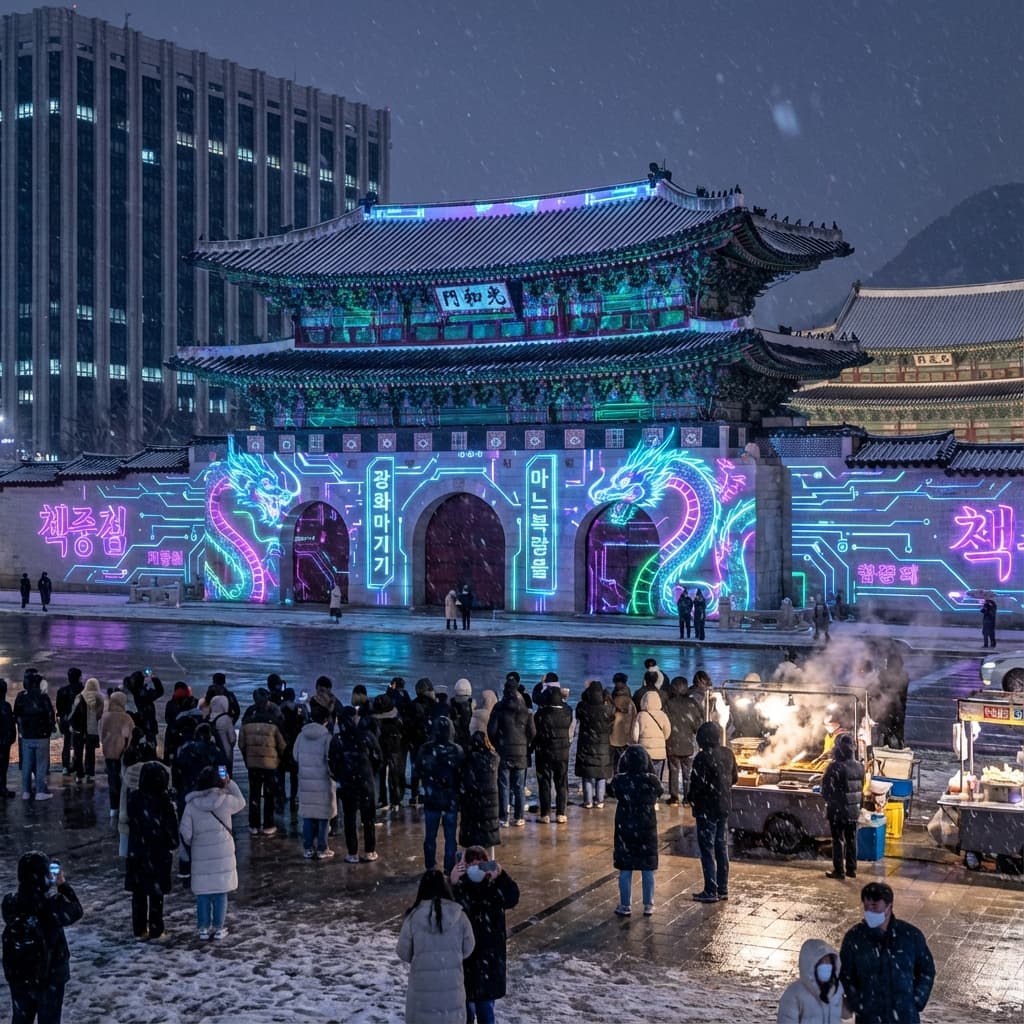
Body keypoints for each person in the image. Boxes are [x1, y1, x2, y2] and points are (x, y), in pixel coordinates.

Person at [2, 851, 83, 1024]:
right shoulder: (52, 906)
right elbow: (76, 909)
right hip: (49, 974)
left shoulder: (9, 903)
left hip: (19, 972)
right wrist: (62, 884)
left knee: (21, 1018)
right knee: (49, 1019)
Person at [839, 881, 935, 1024]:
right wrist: (857, 1002)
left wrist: (916, 1000)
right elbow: (845, 974)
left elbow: (927, 970)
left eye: (874, 906)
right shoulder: (854, 938)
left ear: (889, 907)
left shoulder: (910, 936)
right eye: (866, 906)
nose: (869, 911)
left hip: (905, 1017)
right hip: (869, 1017)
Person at [451, 848, 520, 1024]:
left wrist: (501, 875)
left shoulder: (494, 886)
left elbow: (513, 897)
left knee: (484, 1009)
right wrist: (452, 881)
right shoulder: (461, 886)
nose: (475, 867)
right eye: (470, 862)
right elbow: (447, 910)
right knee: (466, 1010)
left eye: (480, 863)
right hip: (469, 958)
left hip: (486, 959)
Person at [396, 870, 475, 1024]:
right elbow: (469, 948)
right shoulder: (460, 916)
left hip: (422, 995)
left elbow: (403, 952)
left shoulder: (413, 917)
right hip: (452, 994)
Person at [179, 765, 245, 940]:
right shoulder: (225, 800)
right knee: (220, 891)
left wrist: (195, 843)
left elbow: (185, 832)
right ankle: (218, 927)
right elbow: (241, 801)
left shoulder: (191, 805)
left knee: (203, 893)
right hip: (223, 853)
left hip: (201, 855)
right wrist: (229, 783)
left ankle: (202, 928)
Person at [125, 761, 179, 940]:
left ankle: (139, 929)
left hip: (138, 853)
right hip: (158, 854)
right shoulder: (164, 803)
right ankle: (156, 929)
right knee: (156, 895)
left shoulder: (134, 799)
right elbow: (172, 835)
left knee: (139, 894)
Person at [689, 720, 738, 902]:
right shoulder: (727, 753)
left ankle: (711, 890)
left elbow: (696, 785)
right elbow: (734, 778)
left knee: (707, 849)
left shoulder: (702, 758)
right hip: (723, 806)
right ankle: (723, 888)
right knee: (721, 848)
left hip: (706, 808)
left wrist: (692, 798)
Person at [612, 745, 663, 917]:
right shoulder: (651, 780)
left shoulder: (620, 781)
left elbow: (613, 791)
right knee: (647, 868)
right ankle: (648, 904)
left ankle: (625, 904)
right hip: (646, 828)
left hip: (625, 827)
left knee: (625, 869)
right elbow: (660, 791)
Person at [328, 706, 381, 863]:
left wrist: (340, 776)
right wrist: (370, 771)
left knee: (350, 818)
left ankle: (352, 853)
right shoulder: (367, 737)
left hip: (347, 784)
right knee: (368, 818)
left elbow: (332, 762)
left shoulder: (338, 739)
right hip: (366, 782)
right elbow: (378, 758)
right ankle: (370, 851)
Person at [417, 716, 465, 874]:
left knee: (430, 835)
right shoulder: (457, 750)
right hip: (450, 799)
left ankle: (430, 866)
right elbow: (461, 774)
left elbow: (419, 769)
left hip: (432, 798)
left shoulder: (425, 749)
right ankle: (449, 867)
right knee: (450, 837)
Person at [238, 688, 286, 837]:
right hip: (270, 764)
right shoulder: (274, 717)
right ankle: (268, 825)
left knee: (254, 794)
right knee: (269, 795)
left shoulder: (248, 716)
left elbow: (241, 743)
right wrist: (278, 757)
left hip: (253, 764)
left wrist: (248, 756)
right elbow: (282, 744)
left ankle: (253, 825)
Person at [487, 680, 534, 828]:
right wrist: (525, 744)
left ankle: (503, 817)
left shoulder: (499, 707)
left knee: (504, 785)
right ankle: (519, 817)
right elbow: (532, 732)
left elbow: (492, 730)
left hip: (504, 751)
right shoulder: (524, 709)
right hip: (521, 752)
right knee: (519, 786)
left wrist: (497, 744)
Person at [293, 702, 337, 859]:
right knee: (323, 817)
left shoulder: (301, 735)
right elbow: (330, 759)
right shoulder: (327, 738)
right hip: (323, 782)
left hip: (305, 782)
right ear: (326, 720)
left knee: (308, 816)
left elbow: (295, 756)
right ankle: (322, 848)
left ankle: (308, 848)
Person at [822, 733, 865, 881]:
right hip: (854, 810)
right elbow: (861, 787)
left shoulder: (835, 766)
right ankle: (852, 869)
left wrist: (833, 802)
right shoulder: (860, 766)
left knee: (838, 840)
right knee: (851, 839)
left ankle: (839, 871)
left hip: (838, 811)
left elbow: (826, 790)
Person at [776, 937, 848, 1024]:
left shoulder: (837, 988)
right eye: (821, 962)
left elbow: (846, 1014)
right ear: (811, 965)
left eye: (828, 961)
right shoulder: (794, 994)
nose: (826, 965)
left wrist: (851, 998)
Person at [13, 669, 55, 802]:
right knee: (41, 765)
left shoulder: (21, 696)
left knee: (26, 764)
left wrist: (21, 729)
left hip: (26, 736)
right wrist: (49, 729)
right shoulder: (43, 696)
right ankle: (40, 791)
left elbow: (16, 714)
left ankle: (25, 791)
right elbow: (50, 714)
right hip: (42, 736)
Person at [662, 675, 703, 805]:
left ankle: (674, 797)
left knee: (674, 770)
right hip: (688, 743)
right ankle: (687, 797)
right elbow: (697, 724)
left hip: (672, 742)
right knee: (688, 772)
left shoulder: (669, 703)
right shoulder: (692, 703)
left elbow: (665, 723)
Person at [459, 731, 501, 853]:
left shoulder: (468, 760)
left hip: (472, 801)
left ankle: (468, 863)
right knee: (489, 834)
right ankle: (490, 863)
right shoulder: (494, 758)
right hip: (490, 803)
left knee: (470, 835)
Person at [574, 679, 613, 808]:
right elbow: (613, 714)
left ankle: (588, 801)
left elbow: (578, 714)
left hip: (586, 744)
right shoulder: (607, 709)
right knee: (601, 774)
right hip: (602, 747)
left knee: (587, 773)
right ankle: (600, 800)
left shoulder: (583, 707)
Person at [98, 691, 135, 819]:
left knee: (112, 780)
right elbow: (128, 735)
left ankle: (113, 808)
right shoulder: (126, 718)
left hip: (108, 752)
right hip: (122, 753)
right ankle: (123, 806)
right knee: (124, 780)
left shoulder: (105, 717)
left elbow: (101, 734)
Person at [372, 692, 406, 812]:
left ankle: (385, 800)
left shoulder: (382, 725)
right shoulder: (397, 722)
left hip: (387, 748)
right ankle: (395, 801)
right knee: (394, 774)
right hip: (394, 749)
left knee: (386, 774)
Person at [631, 688, 671, 784]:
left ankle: (644, 794)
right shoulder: (663, 715)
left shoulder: (641, 715)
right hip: (659, 753)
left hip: (644, 752)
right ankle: (654, 795)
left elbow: (635, 735)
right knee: (656, 777)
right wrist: (659, 740)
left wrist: (639, 741)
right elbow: (667, 733)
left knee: (644, 775)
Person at [69, 678, 103, 783]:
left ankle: (79, 775)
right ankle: (90, 774)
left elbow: (73, 712)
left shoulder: (79, 696)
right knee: (90, 753)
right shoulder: (99, 698)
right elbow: (99, 714)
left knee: (78, 753)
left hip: (79, 729)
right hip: (92, 729)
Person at [54, 668, 83, 776]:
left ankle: (65, 767)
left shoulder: (62, 691)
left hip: (66, 721)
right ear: (79, 677)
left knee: (66, 743)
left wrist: (61, 719)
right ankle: (78, 767)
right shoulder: (83, 690)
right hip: (79, 721)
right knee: (78, 745)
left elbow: (59, 708)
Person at [609, 674, 636, 777]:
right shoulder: (627, 695)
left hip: (617, 733)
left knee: (617, 760)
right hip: (624, 733)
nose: (617, 684)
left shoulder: (619, 695)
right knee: (622, 758)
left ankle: (617, 777)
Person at [0, 680, 15, 798]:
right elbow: (10, 724)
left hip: (4, 741)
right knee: (3, 767)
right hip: (4, 742)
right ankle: (2, 788)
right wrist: (11, 739)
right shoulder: (6, 706)